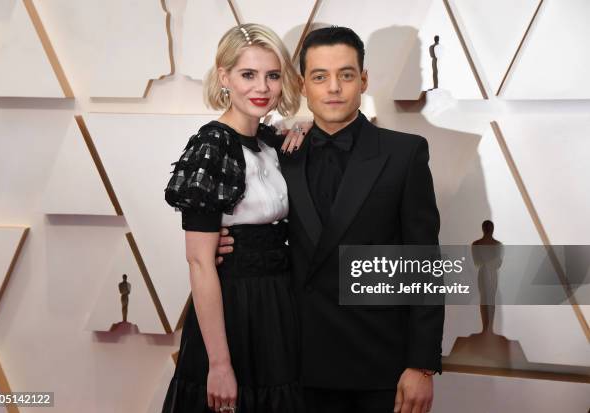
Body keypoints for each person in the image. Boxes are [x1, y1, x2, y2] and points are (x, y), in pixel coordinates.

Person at [218, 26, 444, 413]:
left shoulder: (404, 154)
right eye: (320, 77)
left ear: (364, 80)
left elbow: (423, 261)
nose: (334, 88)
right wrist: (226, 242)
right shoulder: (278, 153)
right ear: (303, 85)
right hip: (298, 361)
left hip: (381, 363)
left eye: (346, 74)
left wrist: (421, 364)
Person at [162, 23, 309, 413]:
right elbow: (199, 262)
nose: (262, 88)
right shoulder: (212, 146)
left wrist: (306, 124)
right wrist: (220, 364)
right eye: (248, 75)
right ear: (224, 77)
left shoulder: (270, 141)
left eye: (272, 75)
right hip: (235, 309)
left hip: (279, 305)